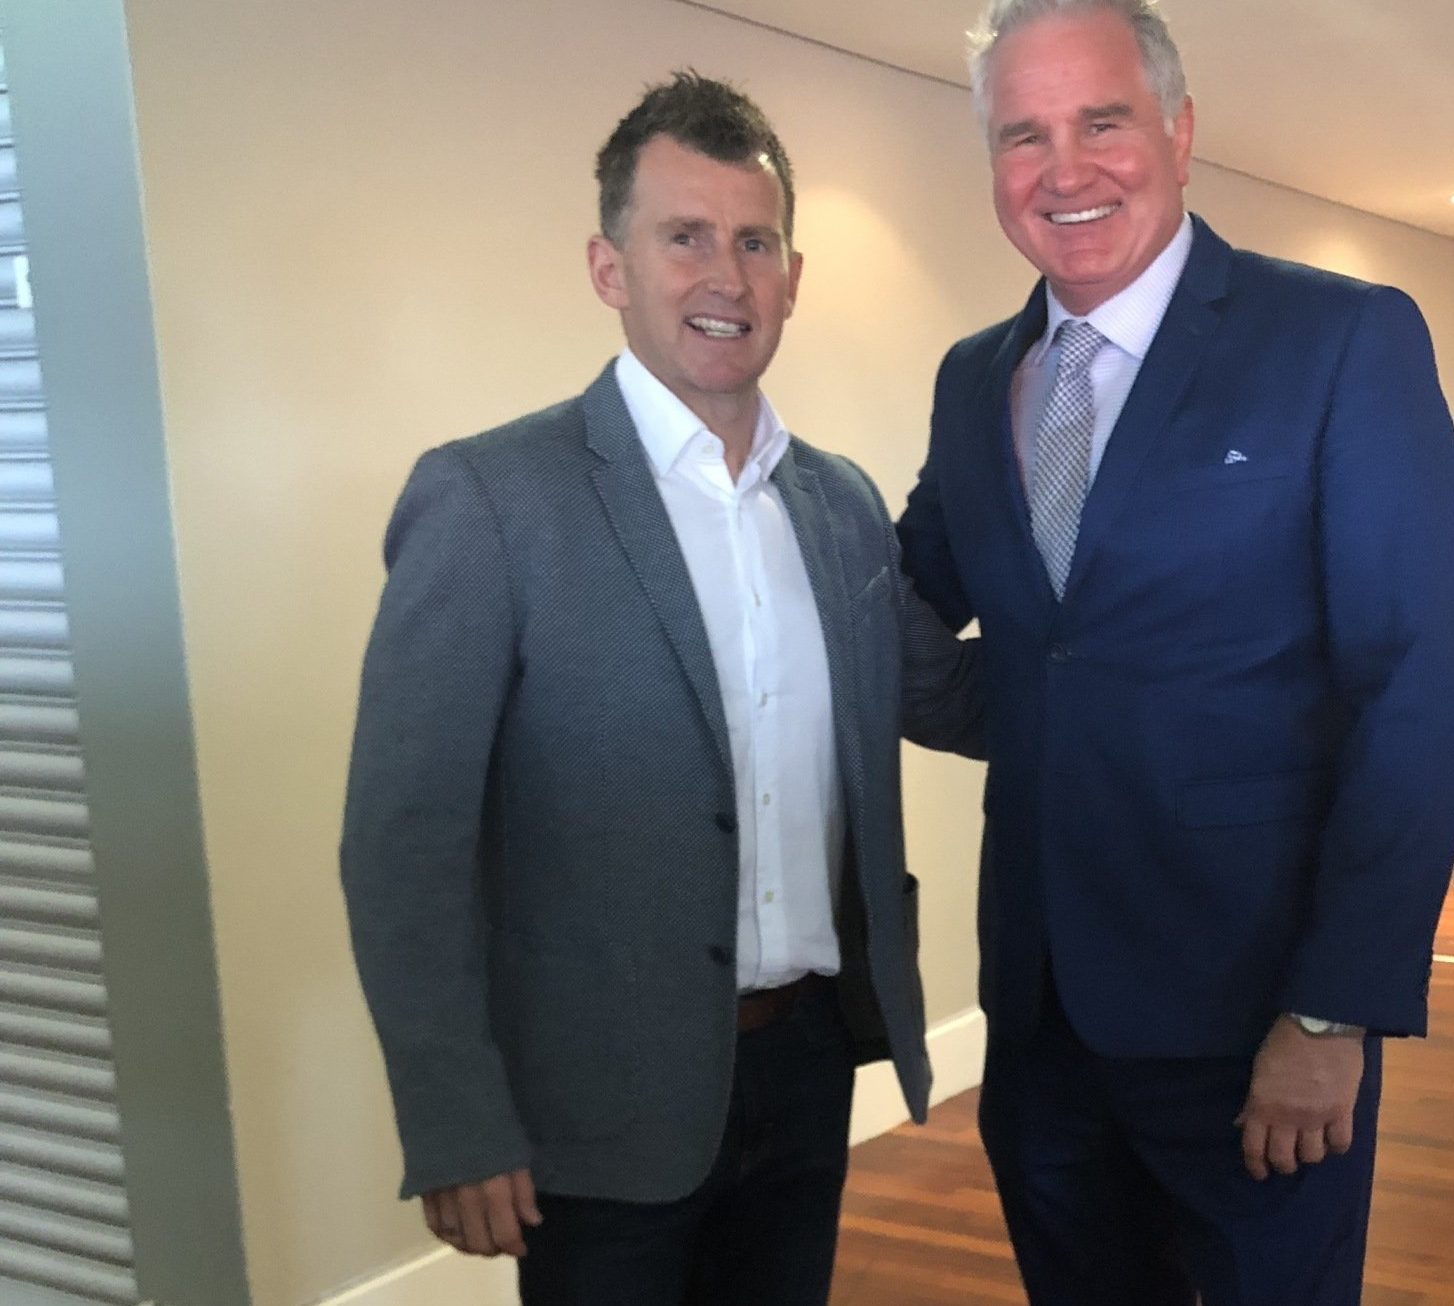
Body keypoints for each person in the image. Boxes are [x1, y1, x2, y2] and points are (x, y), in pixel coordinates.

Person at [341, 72, 981, 1306]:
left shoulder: (839, 507)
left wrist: (1152, 618)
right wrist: (455, 1116)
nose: (724, 278)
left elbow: (951, 698)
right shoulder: (490, 500)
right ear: (608, 266)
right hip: (593, 1099)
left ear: (793, 275)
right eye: (682, 237)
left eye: (754, 242)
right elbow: (403, 840)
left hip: (803, 1068)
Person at [897, 0, 1454, 1305]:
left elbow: (1419, 695)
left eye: (1100, 121)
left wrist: (1335, 1010)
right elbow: (919, 601)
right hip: (1042, 1018)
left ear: (1178, 128)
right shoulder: (977, 378)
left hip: (1255, 1017)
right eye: (1022, 135)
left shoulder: (1340, 341)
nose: (1064, 167)